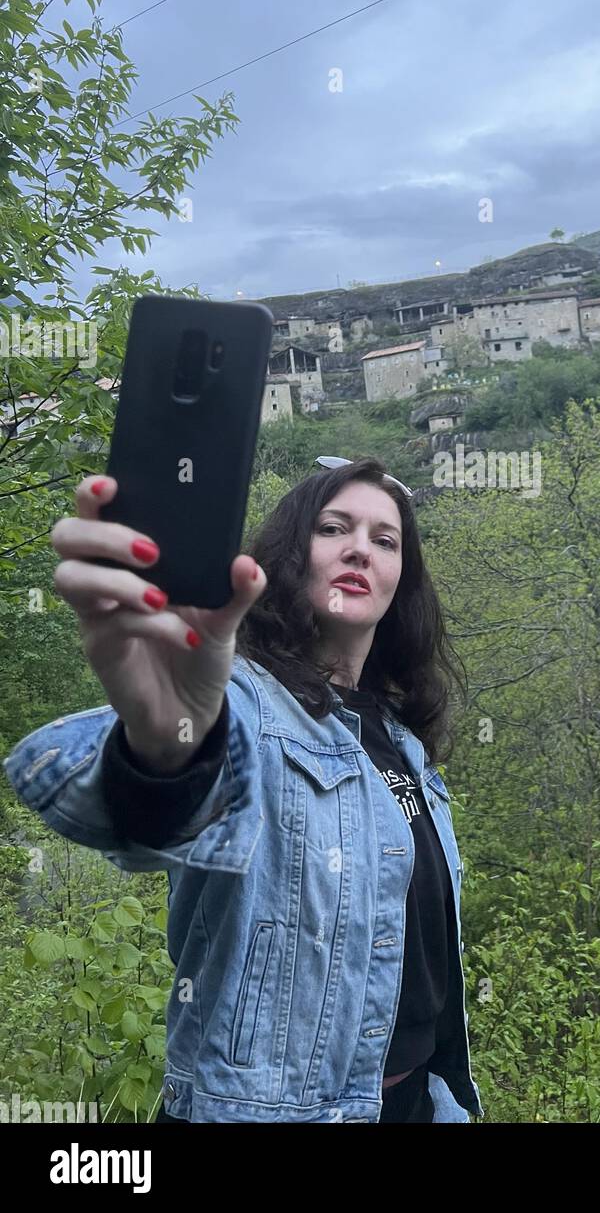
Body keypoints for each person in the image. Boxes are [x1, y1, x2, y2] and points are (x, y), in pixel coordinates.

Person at [4, 455, 483, 1124]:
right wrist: (166, 740)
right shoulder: (244, 703)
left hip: (418, 1103)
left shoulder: (400, 740)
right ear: (291, 553)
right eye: (332, 528)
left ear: (402, 578)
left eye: (384, 540)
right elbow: (144, 807)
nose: (358, 550)